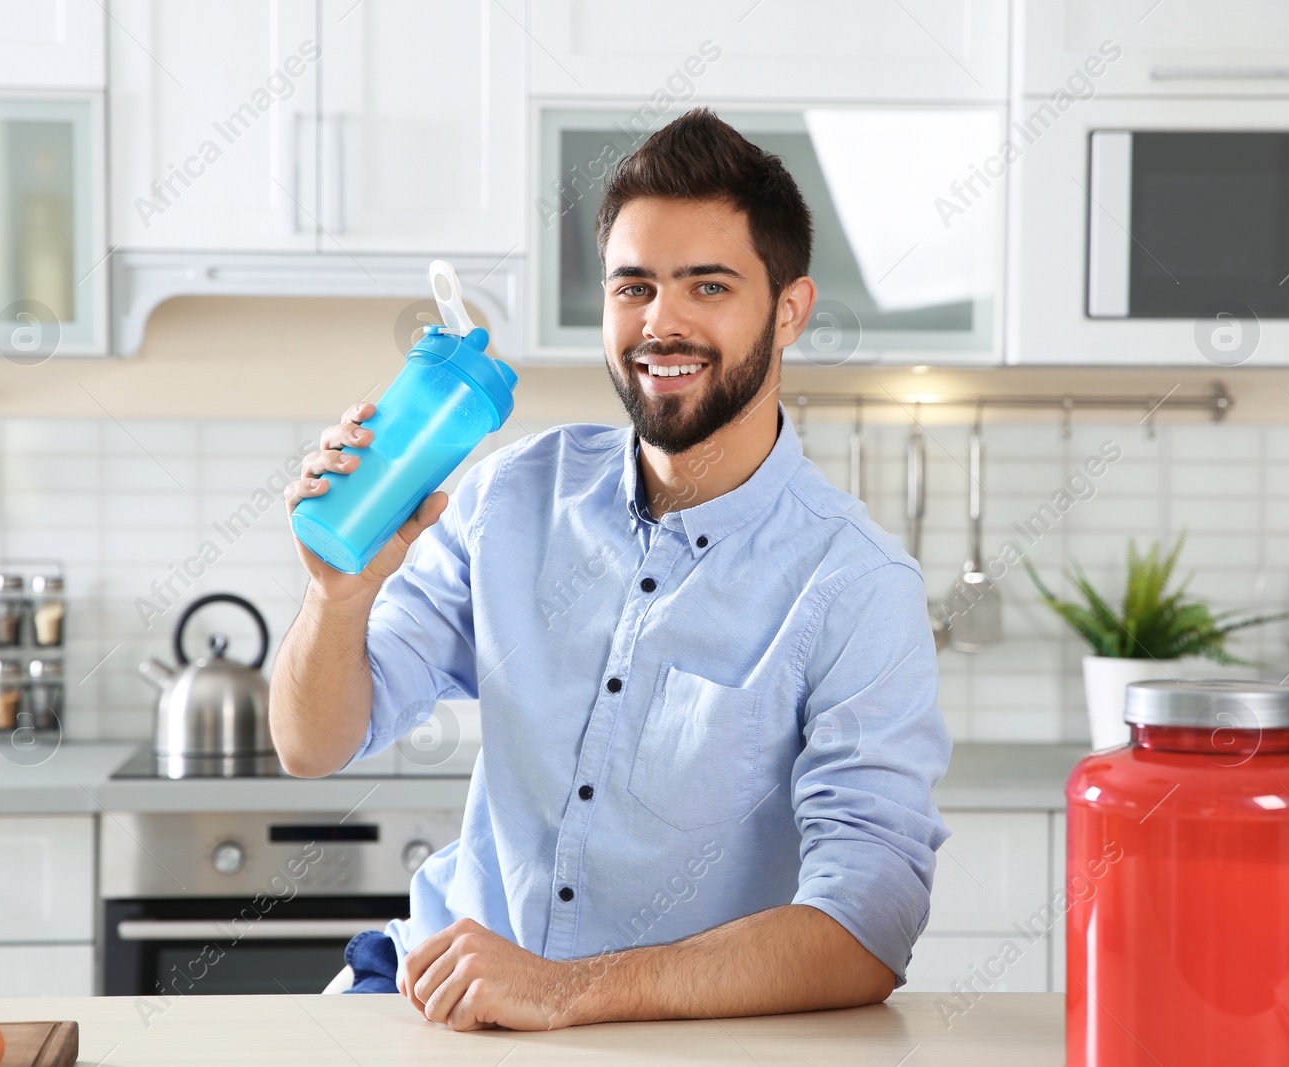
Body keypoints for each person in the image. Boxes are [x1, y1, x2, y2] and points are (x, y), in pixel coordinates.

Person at [274, 107, 950, 1032]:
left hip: (668, 1038)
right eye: (633, 287)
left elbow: (867, 926)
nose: (660, 324)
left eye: (707, 286)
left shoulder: (854, 583)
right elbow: (314, 745)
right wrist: (335, 595)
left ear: (789, 310)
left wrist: (564, 989)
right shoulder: (510, 495)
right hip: (432, 999)